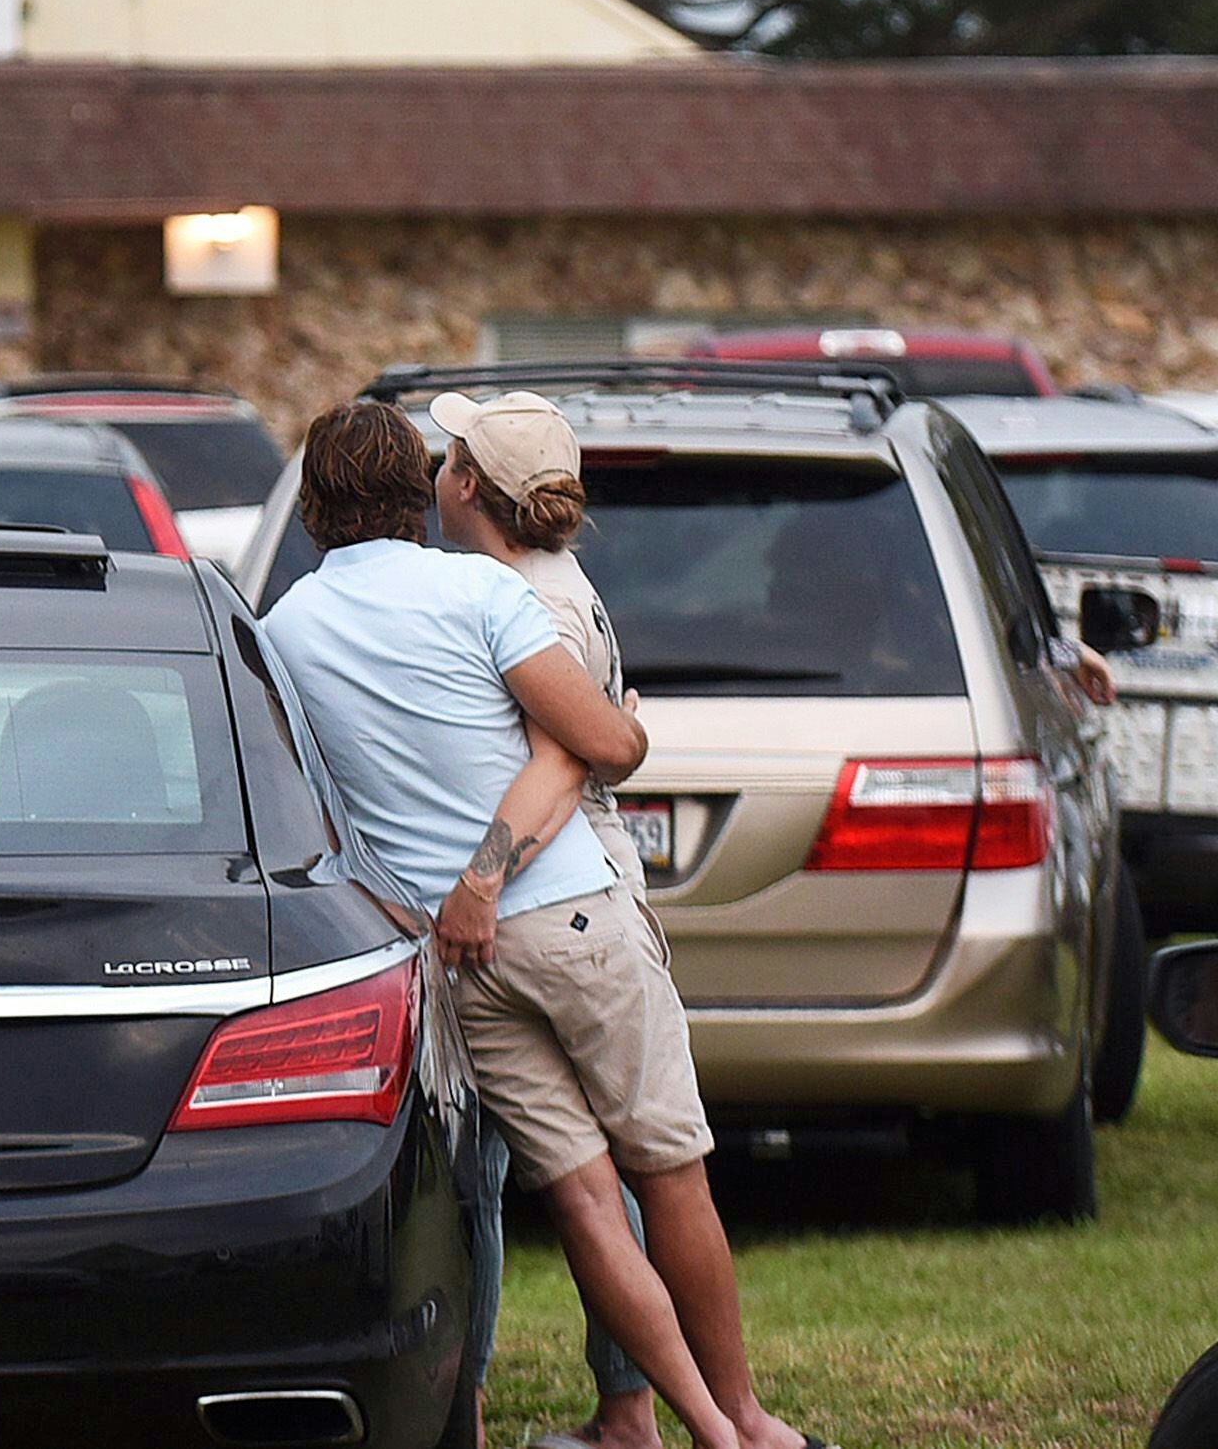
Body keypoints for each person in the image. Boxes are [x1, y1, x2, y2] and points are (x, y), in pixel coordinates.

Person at [261, 400, 757, 1449]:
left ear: (313, 504)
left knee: (581, 1202)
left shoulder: (283, 634)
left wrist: (449, 895)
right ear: (419, 492)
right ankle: (747, 1424)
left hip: (457, 961)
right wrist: (503, 851)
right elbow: (602, 746)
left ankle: (703, 1428)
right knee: (670, 1173)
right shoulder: (480, 587)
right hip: (574, 917)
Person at [420, 391, 827, 1449]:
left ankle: (728, 1417)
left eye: (450, 455)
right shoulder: (543, 585)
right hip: (581, 919)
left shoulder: (526, 605)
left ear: (471, 486)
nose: (439, 468)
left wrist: (481, 879)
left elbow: (573, 752)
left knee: (647, 1175)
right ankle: (678, 1418)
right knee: (635, 1177)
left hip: (550, 910)